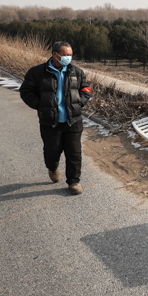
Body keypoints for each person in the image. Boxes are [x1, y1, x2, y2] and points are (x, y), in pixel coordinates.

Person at [19, 41, 92, 195]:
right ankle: (52, 168)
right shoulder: (37, 72)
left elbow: (86, 89)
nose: (68, 58)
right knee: (51, 152)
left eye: (70, 55)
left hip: (73, 121)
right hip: (50, 122)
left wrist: (78, 104)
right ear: (55, 54)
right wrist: (41, 106)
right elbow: (26, 91)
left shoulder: (76, 72)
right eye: (65, 55)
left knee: (74, 153)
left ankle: (74, 182)